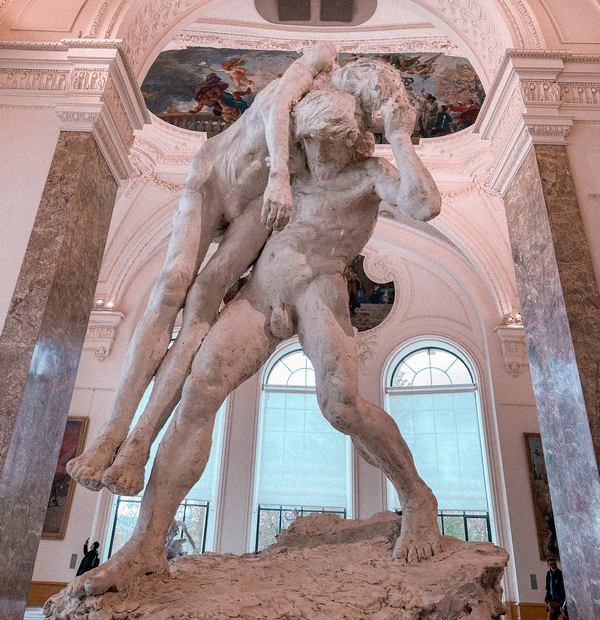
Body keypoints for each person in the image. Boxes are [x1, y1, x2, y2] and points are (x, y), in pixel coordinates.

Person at [68, 63, 442, 598]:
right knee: (198, 392)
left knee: (340, 405)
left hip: (319, 291)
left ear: (354, 139)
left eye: (327, 146)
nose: (316, 156)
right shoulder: (294, 169)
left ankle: (418, 498)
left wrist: (402, 136)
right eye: (308, 143)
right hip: (262, 294)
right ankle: (146, 544)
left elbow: (425, 204)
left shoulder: (370, 175)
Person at [67, 43, 337, 497]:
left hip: (257, 208)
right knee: (172, 284)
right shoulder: (303, 74)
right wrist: (280, 178)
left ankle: (138, 444)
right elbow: (283, 104)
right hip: (215, 174)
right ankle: (110, 433)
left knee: (202, 308)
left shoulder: (338, 117)